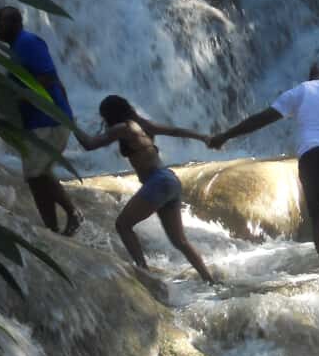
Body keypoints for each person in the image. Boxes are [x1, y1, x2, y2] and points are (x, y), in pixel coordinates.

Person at [208, 63, 319, 278]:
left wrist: (226, 135)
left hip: (311, 157)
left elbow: (262, 119)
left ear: (310, 78)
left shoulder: (299, 91)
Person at [73, 95, 216, 283]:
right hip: (170, 180)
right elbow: (174, 130)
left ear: (110, 115)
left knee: (123, 225)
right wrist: (202, 137)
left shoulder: (122, 128)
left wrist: (69, 123)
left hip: (157, 182)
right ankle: (210, 280)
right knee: (180, 241)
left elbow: (89, 144)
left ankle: (144, 272)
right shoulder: (142, 125)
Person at [0, 6, 83, 236]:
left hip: (48, 119)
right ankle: (52, 228)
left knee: (37, 175)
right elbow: (55, 80)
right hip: (41, 120)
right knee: (38, 176)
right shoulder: (18, 47)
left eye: (1, 23)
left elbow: (48, 76)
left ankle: (72, 213)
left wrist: (20, 99)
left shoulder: (27, 43)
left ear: (16, 24)